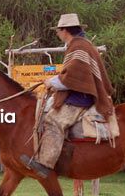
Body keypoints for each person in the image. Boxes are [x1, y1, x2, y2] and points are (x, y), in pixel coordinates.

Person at [21, 13, 114, 177]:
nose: (57, 33)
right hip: (80, 93)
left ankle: (46, 164)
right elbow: (72, 75)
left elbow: (72, 79)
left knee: (53, 121)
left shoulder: (78, 47)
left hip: (80, 98)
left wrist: (52, 83)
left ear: (65, 30)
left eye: (58, 30)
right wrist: (54, 80)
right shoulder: (81, 44)